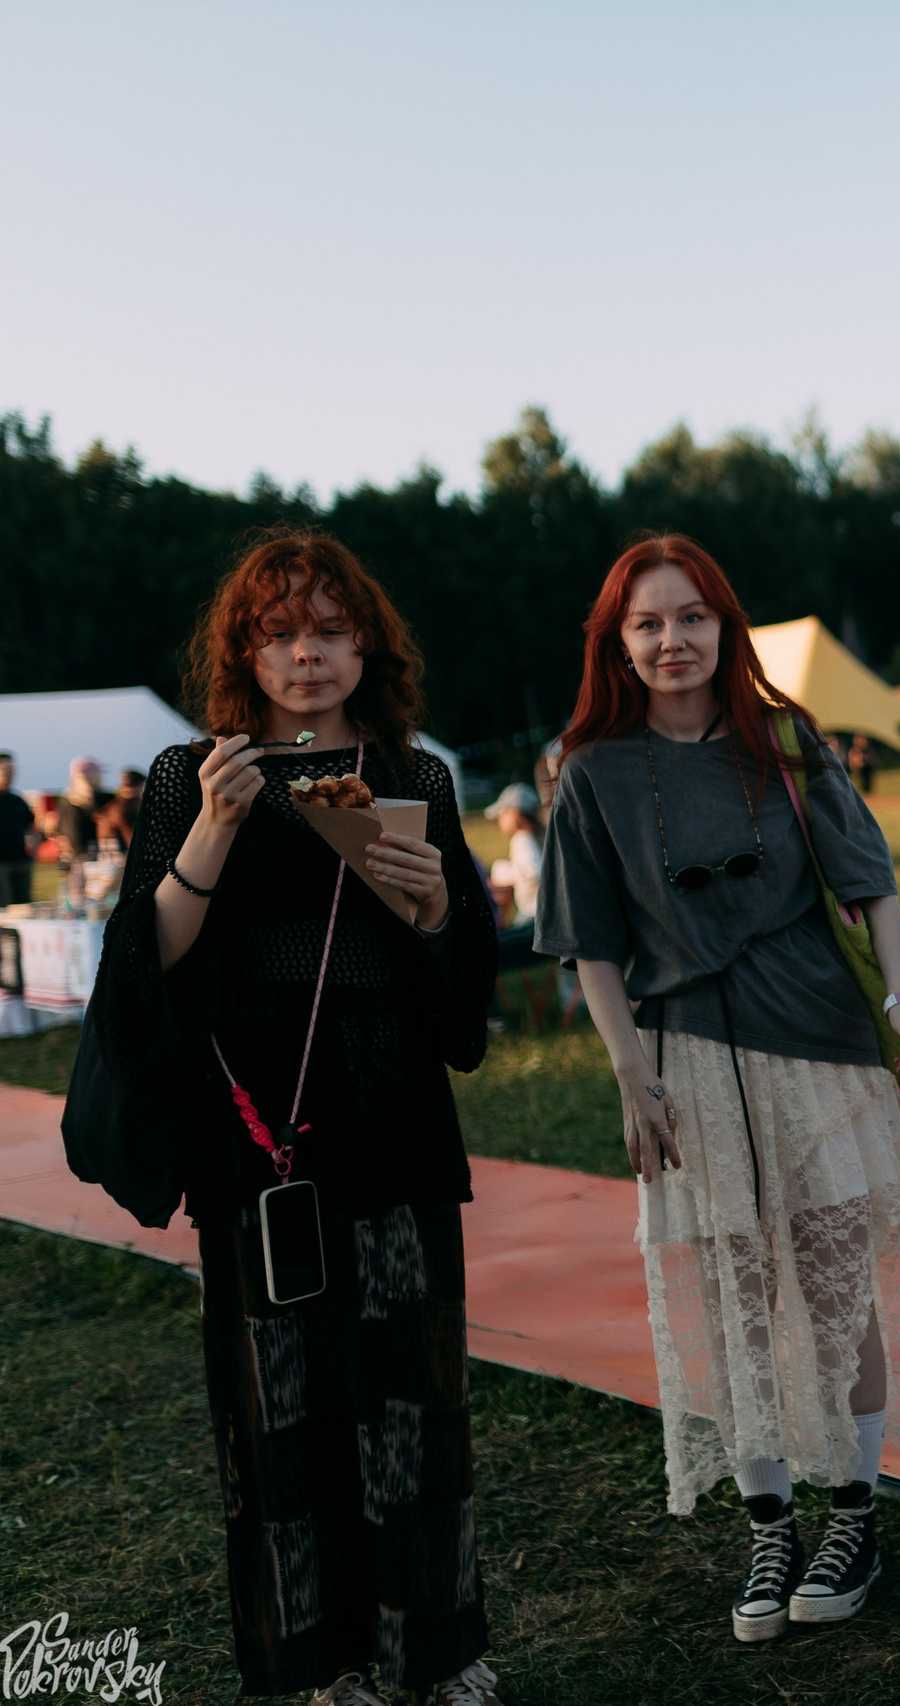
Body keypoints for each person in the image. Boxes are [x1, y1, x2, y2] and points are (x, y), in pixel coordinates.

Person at [87, 529, 503, 1706]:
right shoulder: (190, 777)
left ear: (364, 642)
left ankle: (436, 1646)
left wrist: (430, 917)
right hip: (255, 1139)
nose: (306, 652)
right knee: (278, 1414)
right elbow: (142, 976)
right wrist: (213, 832)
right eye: (279, 632)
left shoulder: (415, 777)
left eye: (327, 628)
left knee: (413, 1405)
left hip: (395, 1129)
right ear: (245, 651)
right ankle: (317, 1666)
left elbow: (467, 992)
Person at [535, 533, 900, 1644]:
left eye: (691, 616)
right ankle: (770, 1524)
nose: (672, 639)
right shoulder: (593, 771)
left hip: (817, 1047)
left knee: (833, 1282)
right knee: (736, 1296)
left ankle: (853, 1511)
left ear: (725, 625)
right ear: (617, 643)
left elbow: (872, 884)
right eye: (647, 622)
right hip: (689, 1062)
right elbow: (593, 947)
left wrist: (899, 996)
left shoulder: (788, 740)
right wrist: (634, 1078)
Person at [483, 783, 543, 924]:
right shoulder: (537, 837)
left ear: (513, 813)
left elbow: (533, 871)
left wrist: (502, 871)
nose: (499, 819)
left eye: (502, 813)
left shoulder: (522, 839)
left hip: (532, 914)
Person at [0, 752, 34, 905]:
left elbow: (32, 826)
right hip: (2, 865)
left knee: (23, 907)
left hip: (21, 861)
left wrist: (34, 849)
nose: (10, 774)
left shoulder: (17, 800)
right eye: (5, 770)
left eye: (12, 770)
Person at [57, 755, 103, 864]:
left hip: (77, 858)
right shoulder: (72, 803)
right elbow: (73, 837)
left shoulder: (67, 800)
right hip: (83, 858)